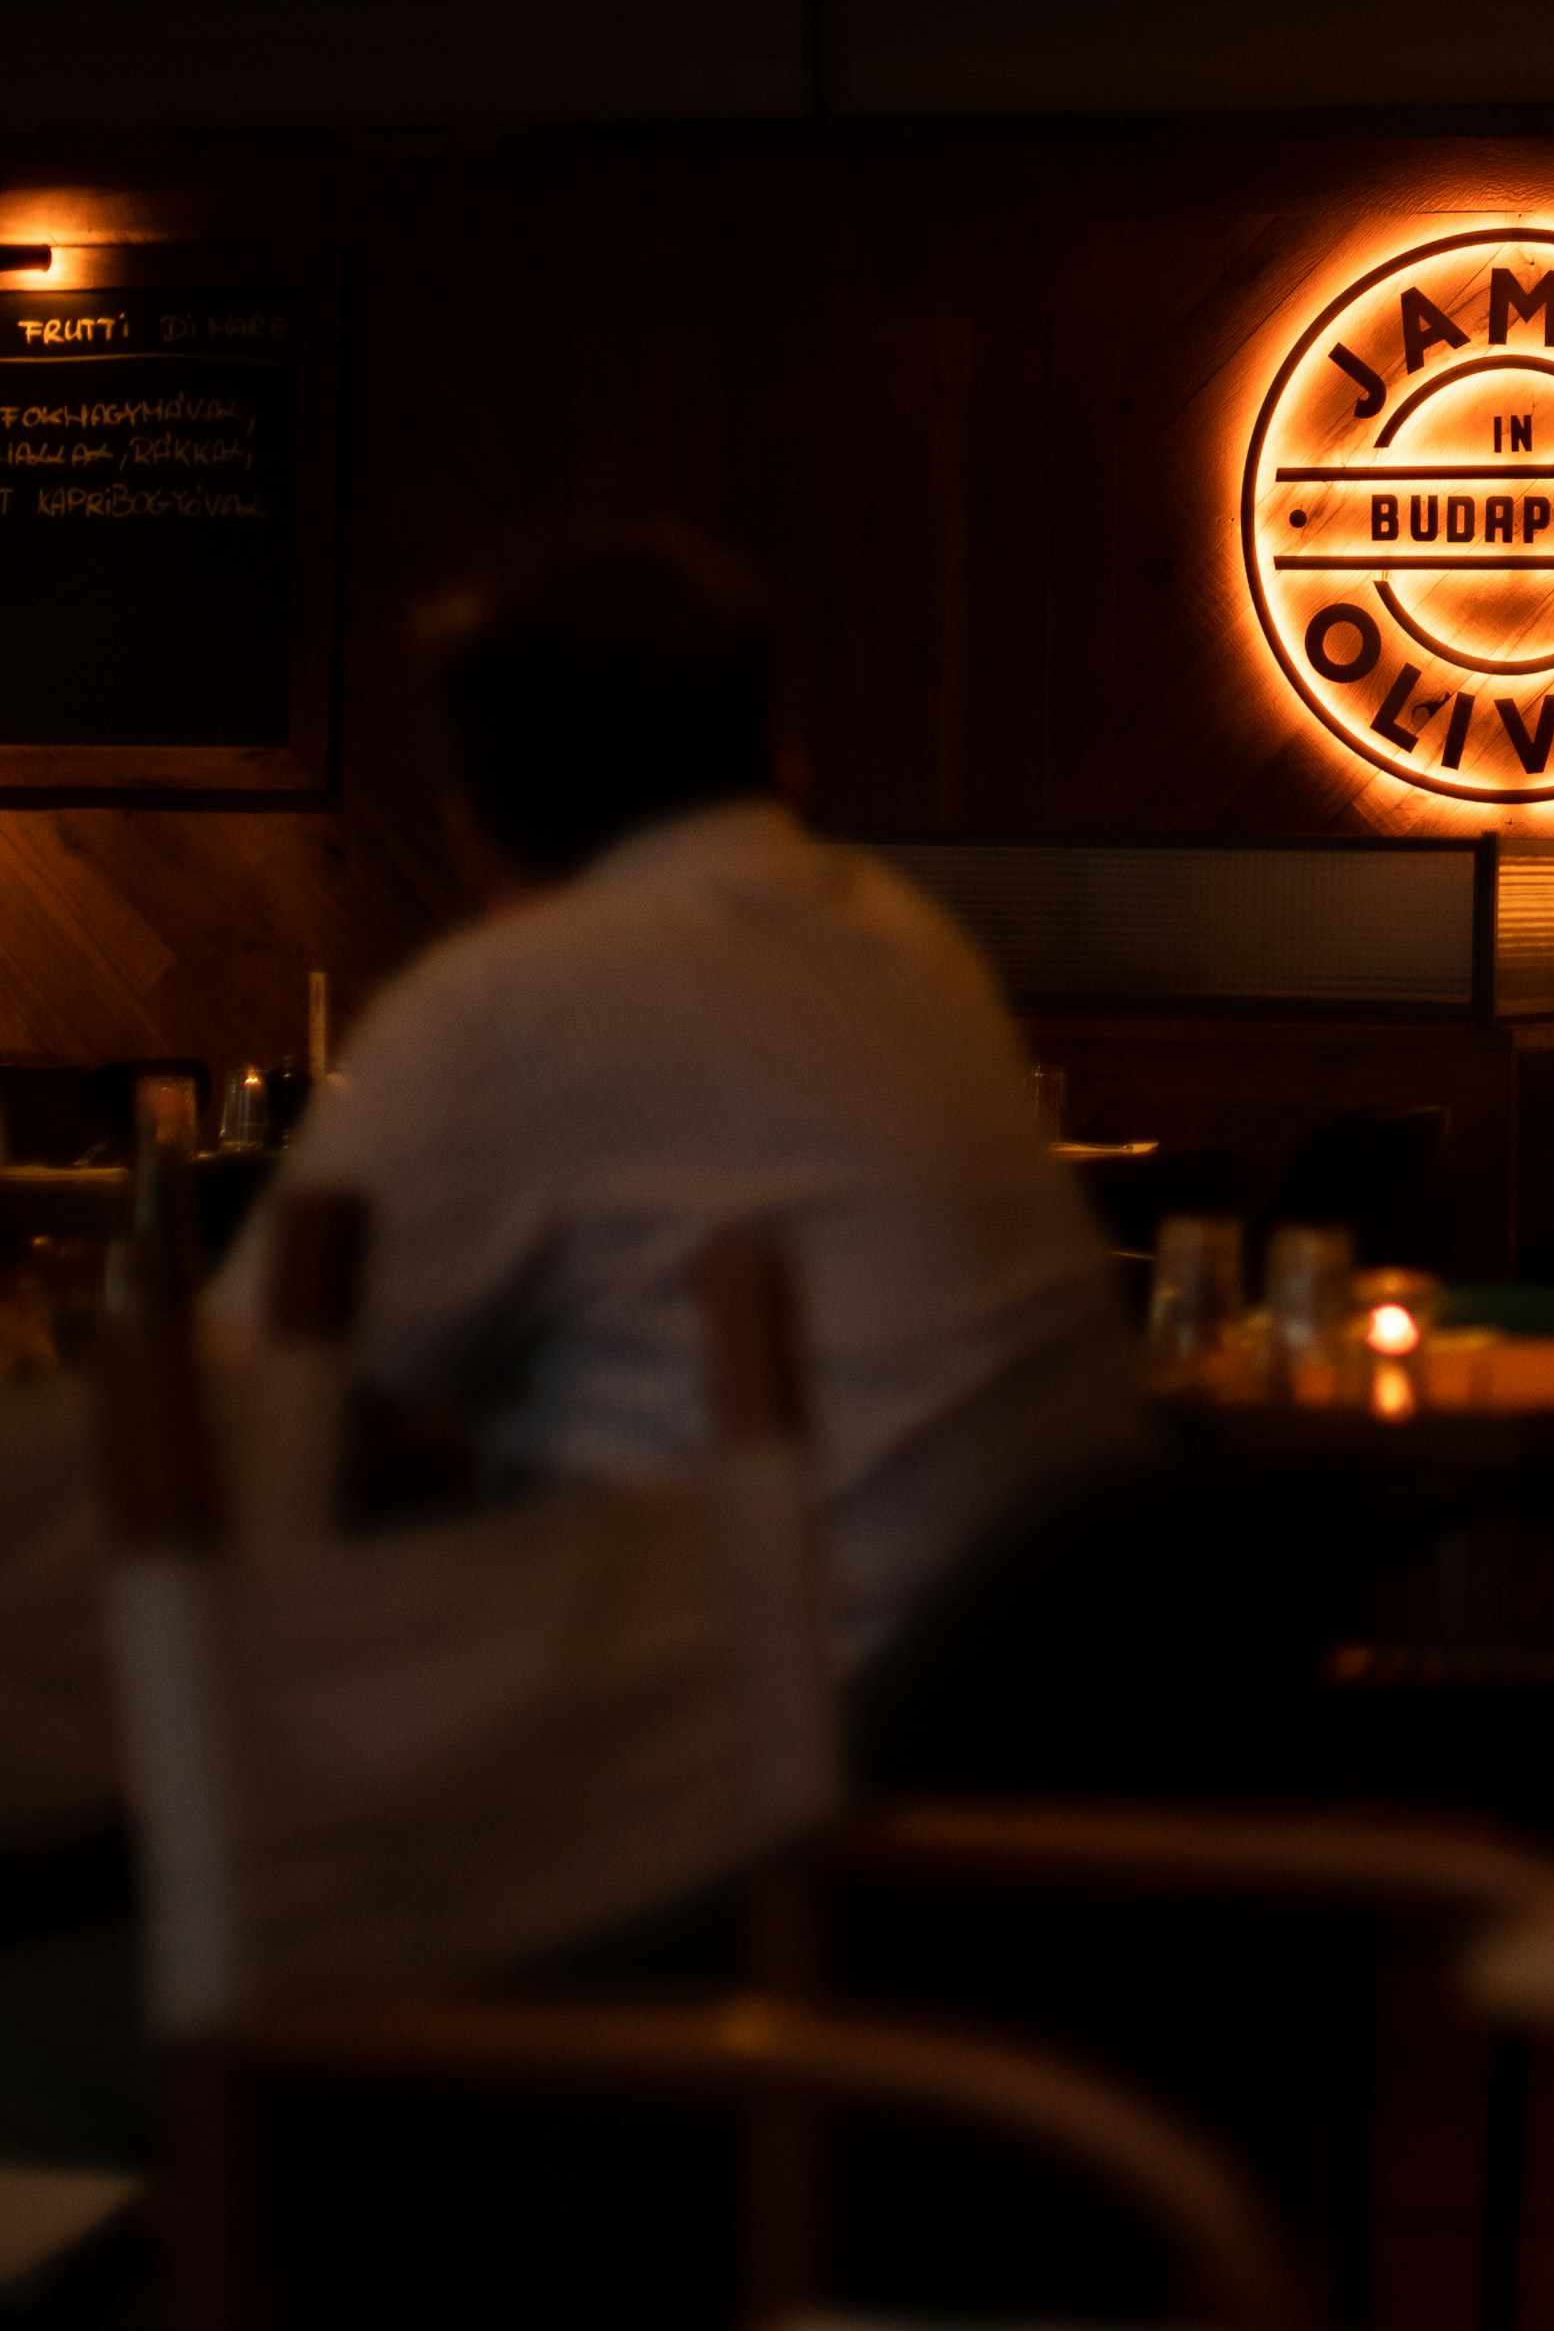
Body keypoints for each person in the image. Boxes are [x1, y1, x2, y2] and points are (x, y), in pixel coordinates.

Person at [219, 524, 1141, 1673]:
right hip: (1046, 1694)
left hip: (781, 1748)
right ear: (779, 763)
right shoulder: (907, 939)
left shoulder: (519, 996)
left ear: (471, 828)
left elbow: (228, 1418)